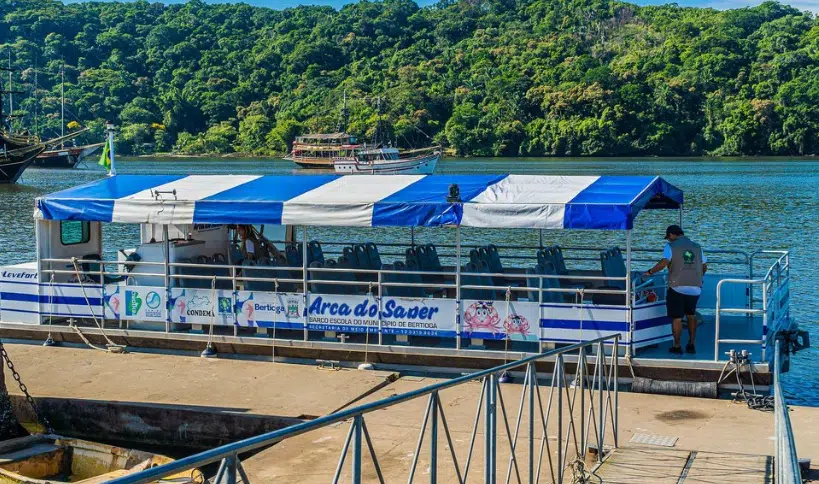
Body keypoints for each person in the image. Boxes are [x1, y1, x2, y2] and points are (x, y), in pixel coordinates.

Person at [643, 225, 707, 355]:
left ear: (672, 234)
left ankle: (677, 346)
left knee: (677, 317)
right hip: (695, 287)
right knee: (691, 314)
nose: (669, 240)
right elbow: (704, 266)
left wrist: (650, 272)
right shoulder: (697, 246)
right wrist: (697, 277)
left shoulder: (670, 247)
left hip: (677, 286)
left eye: (669, 237)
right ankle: (691, 344)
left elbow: (663, 263)